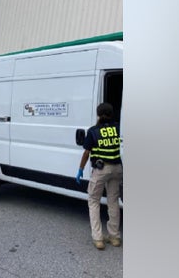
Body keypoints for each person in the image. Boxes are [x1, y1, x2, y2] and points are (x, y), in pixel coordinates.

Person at [76, 102, 123, 250]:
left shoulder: (94, 131)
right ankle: (114, 237)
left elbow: (86, 152)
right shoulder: (118, 128)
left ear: (98, 114)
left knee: (93, 200)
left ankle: (98, 239)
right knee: (113, 201)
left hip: (101, 170)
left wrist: (80, 169)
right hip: (117, 168)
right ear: (112, 113)